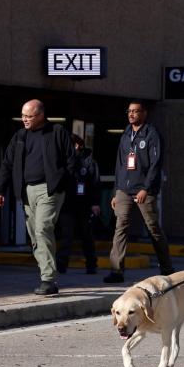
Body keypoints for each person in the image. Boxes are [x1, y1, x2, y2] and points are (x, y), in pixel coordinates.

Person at [0, 99, 76, 295]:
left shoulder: (56, 132)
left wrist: (61, 184)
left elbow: (71, 161)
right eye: (22, 115)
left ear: (40, 115)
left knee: (42, 228)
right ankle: (46, 275)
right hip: (27, 191)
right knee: (35, 237)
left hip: (50, 189)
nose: (24, 119)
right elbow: (7, 164)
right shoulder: (20, 136)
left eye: (29, 116)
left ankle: (48, 278)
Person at [104, 100, 174, 283]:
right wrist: (116, 190)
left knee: (153, 229)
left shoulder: (151, 134)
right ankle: (116, 270)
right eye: (129, 111)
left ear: (144, 113)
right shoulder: (126, 134)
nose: (132, 114)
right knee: (121, 228)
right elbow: (120, 164)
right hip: (124, 189)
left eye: (136, 111)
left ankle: (167, 268)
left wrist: (146, 188)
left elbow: (155, 163)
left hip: (144, 190)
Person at [55, 134, 100, 275]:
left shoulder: (89, 161)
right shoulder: (62, 160)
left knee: (87, 236)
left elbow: (95, 183)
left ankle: (91, 264)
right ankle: (61, 265)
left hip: (85, 205)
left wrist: (95, 203)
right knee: (66, 236)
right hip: (67, 204)